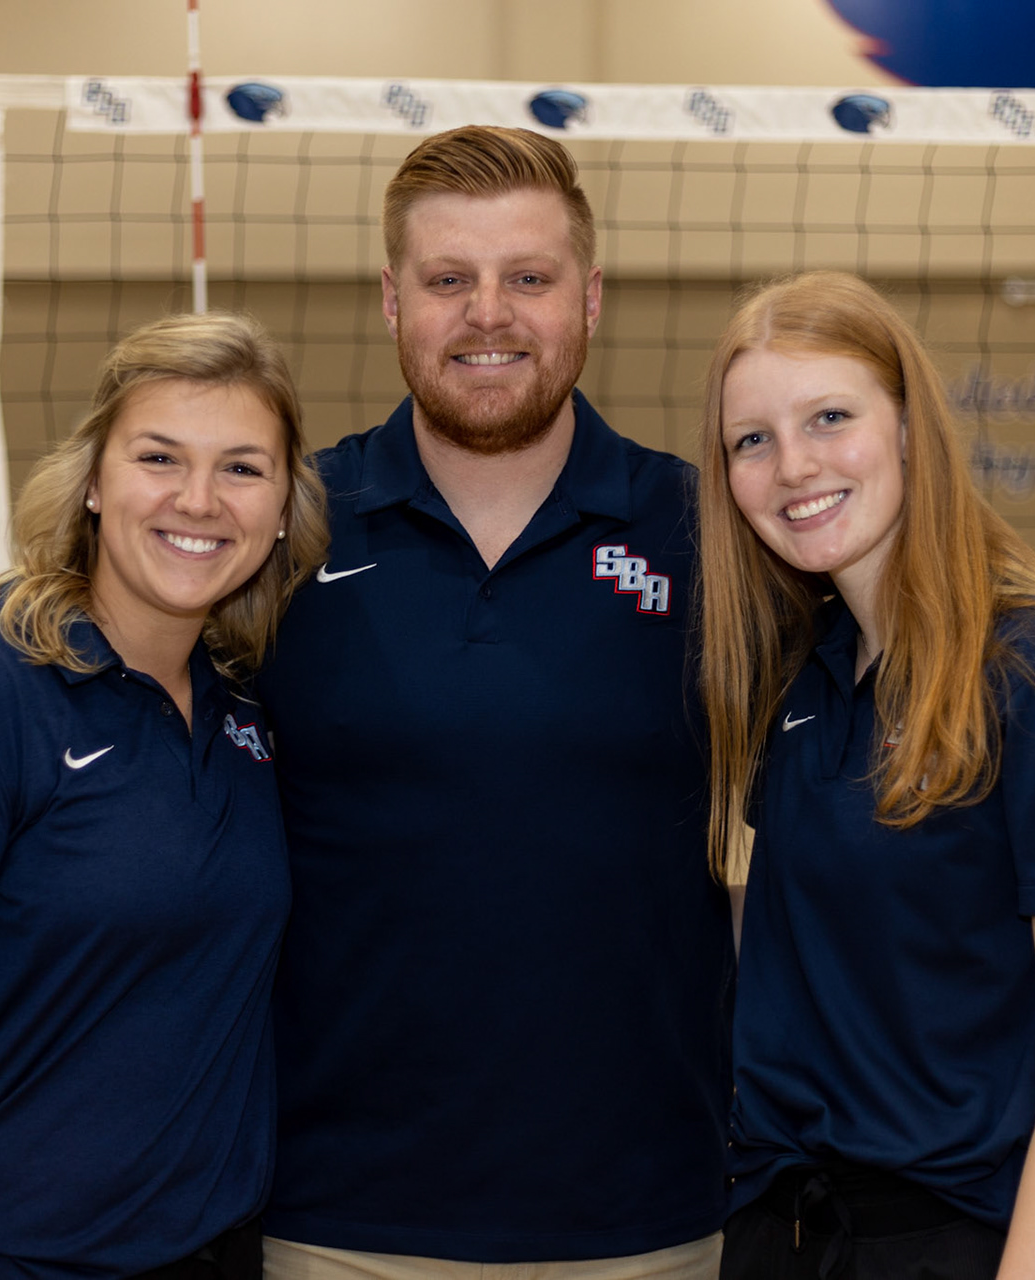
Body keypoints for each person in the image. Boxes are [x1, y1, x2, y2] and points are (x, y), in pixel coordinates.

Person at [251, 126, 734, 1280]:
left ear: (591, 295)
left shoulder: (708, 529)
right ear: (391, 298)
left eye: (529, 276)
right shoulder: (281, 526)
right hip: (333, 1216)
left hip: (652, 1214)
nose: (489, 314)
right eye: (448, 279)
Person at [0, 312, 328, 1280]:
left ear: (286, 505)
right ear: (95, 478)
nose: (200, 499)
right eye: (160, 456)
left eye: (244, 467)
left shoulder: (248, 712)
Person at [698, 270, 1035, 1280]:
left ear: (910, 427)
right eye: (753, 439)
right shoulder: (808, 665)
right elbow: (839, 916)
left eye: (830, 416)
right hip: (786, 1222)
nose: (793, 465)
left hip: (963, 1237)